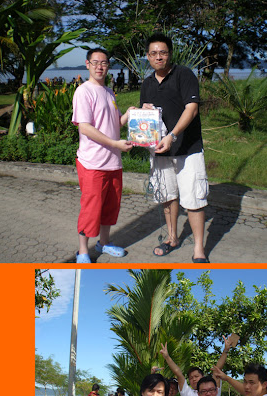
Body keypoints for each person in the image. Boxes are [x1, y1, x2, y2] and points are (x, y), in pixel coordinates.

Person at [140, 33, 209, 263]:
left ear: (170, 54)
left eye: (163, 52)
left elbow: (192, 109)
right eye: (153, 53)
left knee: (193, 198)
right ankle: (172, 238)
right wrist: (144, 111)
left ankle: (199, 249)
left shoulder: (184, 75)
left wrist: (172, 135)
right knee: (168, 196)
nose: (158, 57)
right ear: (148, 56)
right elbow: (144, 115)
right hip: (159, 151)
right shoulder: (147, 83)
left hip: (188, 149)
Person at [71, 48, 133, 264]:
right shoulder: (83, 91)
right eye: (95, 62)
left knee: (110, 206)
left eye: (104, 63)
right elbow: (85, 128)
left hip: (113, 162)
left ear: (108, 66)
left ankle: (103, 243)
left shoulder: (108, 92)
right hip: (92, 163)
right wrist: (116, 143)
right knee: (91, 208)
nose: (100, 66)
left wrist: (129, 114)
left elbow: (115, 124)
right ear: (87, 64)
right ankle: (83, 252)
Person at [159, 333, 237, 396]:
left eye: (196, 376)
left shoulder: (212, 390)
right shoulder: (188, 393)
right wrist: (167, 357)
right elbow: (178, 374)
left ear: (202, 377)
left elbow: (217, 370)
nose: (194, 379)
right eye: (191, 378)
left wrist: (226, 350)